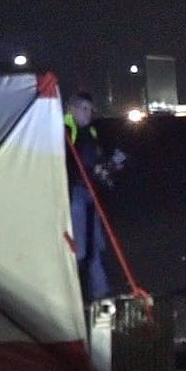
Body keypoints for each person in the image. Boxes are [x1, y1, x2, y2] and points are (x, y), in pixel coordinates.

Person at [63, 92, 124, 302]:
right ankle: (75, 297)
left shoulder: (90, 131)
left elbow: (94, 157)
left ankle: (101, 292)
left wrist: (108, 166)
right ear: (71, 108)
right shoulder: (66, 129)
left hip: (91, 193)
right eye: (84, 109)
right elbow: (66, 162)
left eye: (90, 109)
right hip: (75, 195)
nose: (88, 113)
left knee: (95, 246)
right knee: (80, 249)